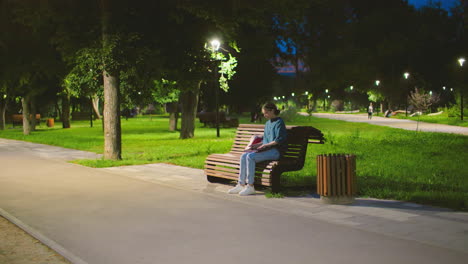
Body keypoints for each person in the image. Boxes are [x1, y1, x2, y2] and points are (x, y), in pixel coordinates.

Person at [228, 103, 287, 196]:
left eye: (266, 113)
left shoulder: (279, 122)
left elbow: (278, 140)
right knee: (243, 156)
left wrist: (265, 146)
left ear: (272, 111)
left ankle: (250, 186)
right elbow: (266, 140)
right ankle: (241, 184)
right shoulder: (268, 123)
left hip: (275, 151)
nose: (264, 115)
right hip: (267, 149)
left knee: (250, 157)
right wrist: (256, 145)